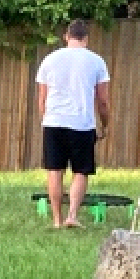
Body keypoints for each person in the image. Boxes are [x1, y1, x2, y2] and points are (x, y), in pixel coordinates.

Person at [35, 20, 112, 229]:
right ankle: (72, 216)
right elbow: (103, 100)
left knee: (54, 170)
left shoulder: (49, 60)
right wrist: (104, 125)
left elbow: (42, 98)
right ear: (86, 39)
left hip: (53, 122)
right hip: (82, 123)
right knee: (80, 171)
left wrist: (46, 119)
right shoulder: (96, 62)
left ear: (66, 37)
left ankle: (57, 220)